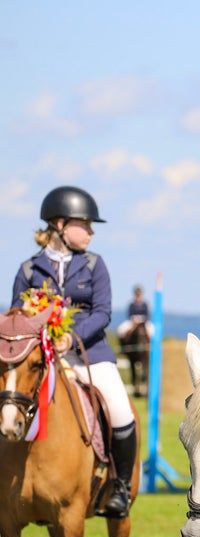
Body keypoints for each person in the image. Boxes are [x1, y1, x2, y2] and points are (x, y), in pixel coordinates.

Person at [11, 186, 137, 518]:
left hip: (89, 354)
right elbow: (17, 317)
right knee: (9, 401)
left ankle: (120, 487)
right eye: (86, 224)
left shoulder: (95, 265)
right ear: (60, 225)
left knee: (120, 410)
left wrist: (71, 337)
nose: (91, 232)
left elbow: (103, 313)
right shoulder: (29, 270)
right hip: (40, 359)